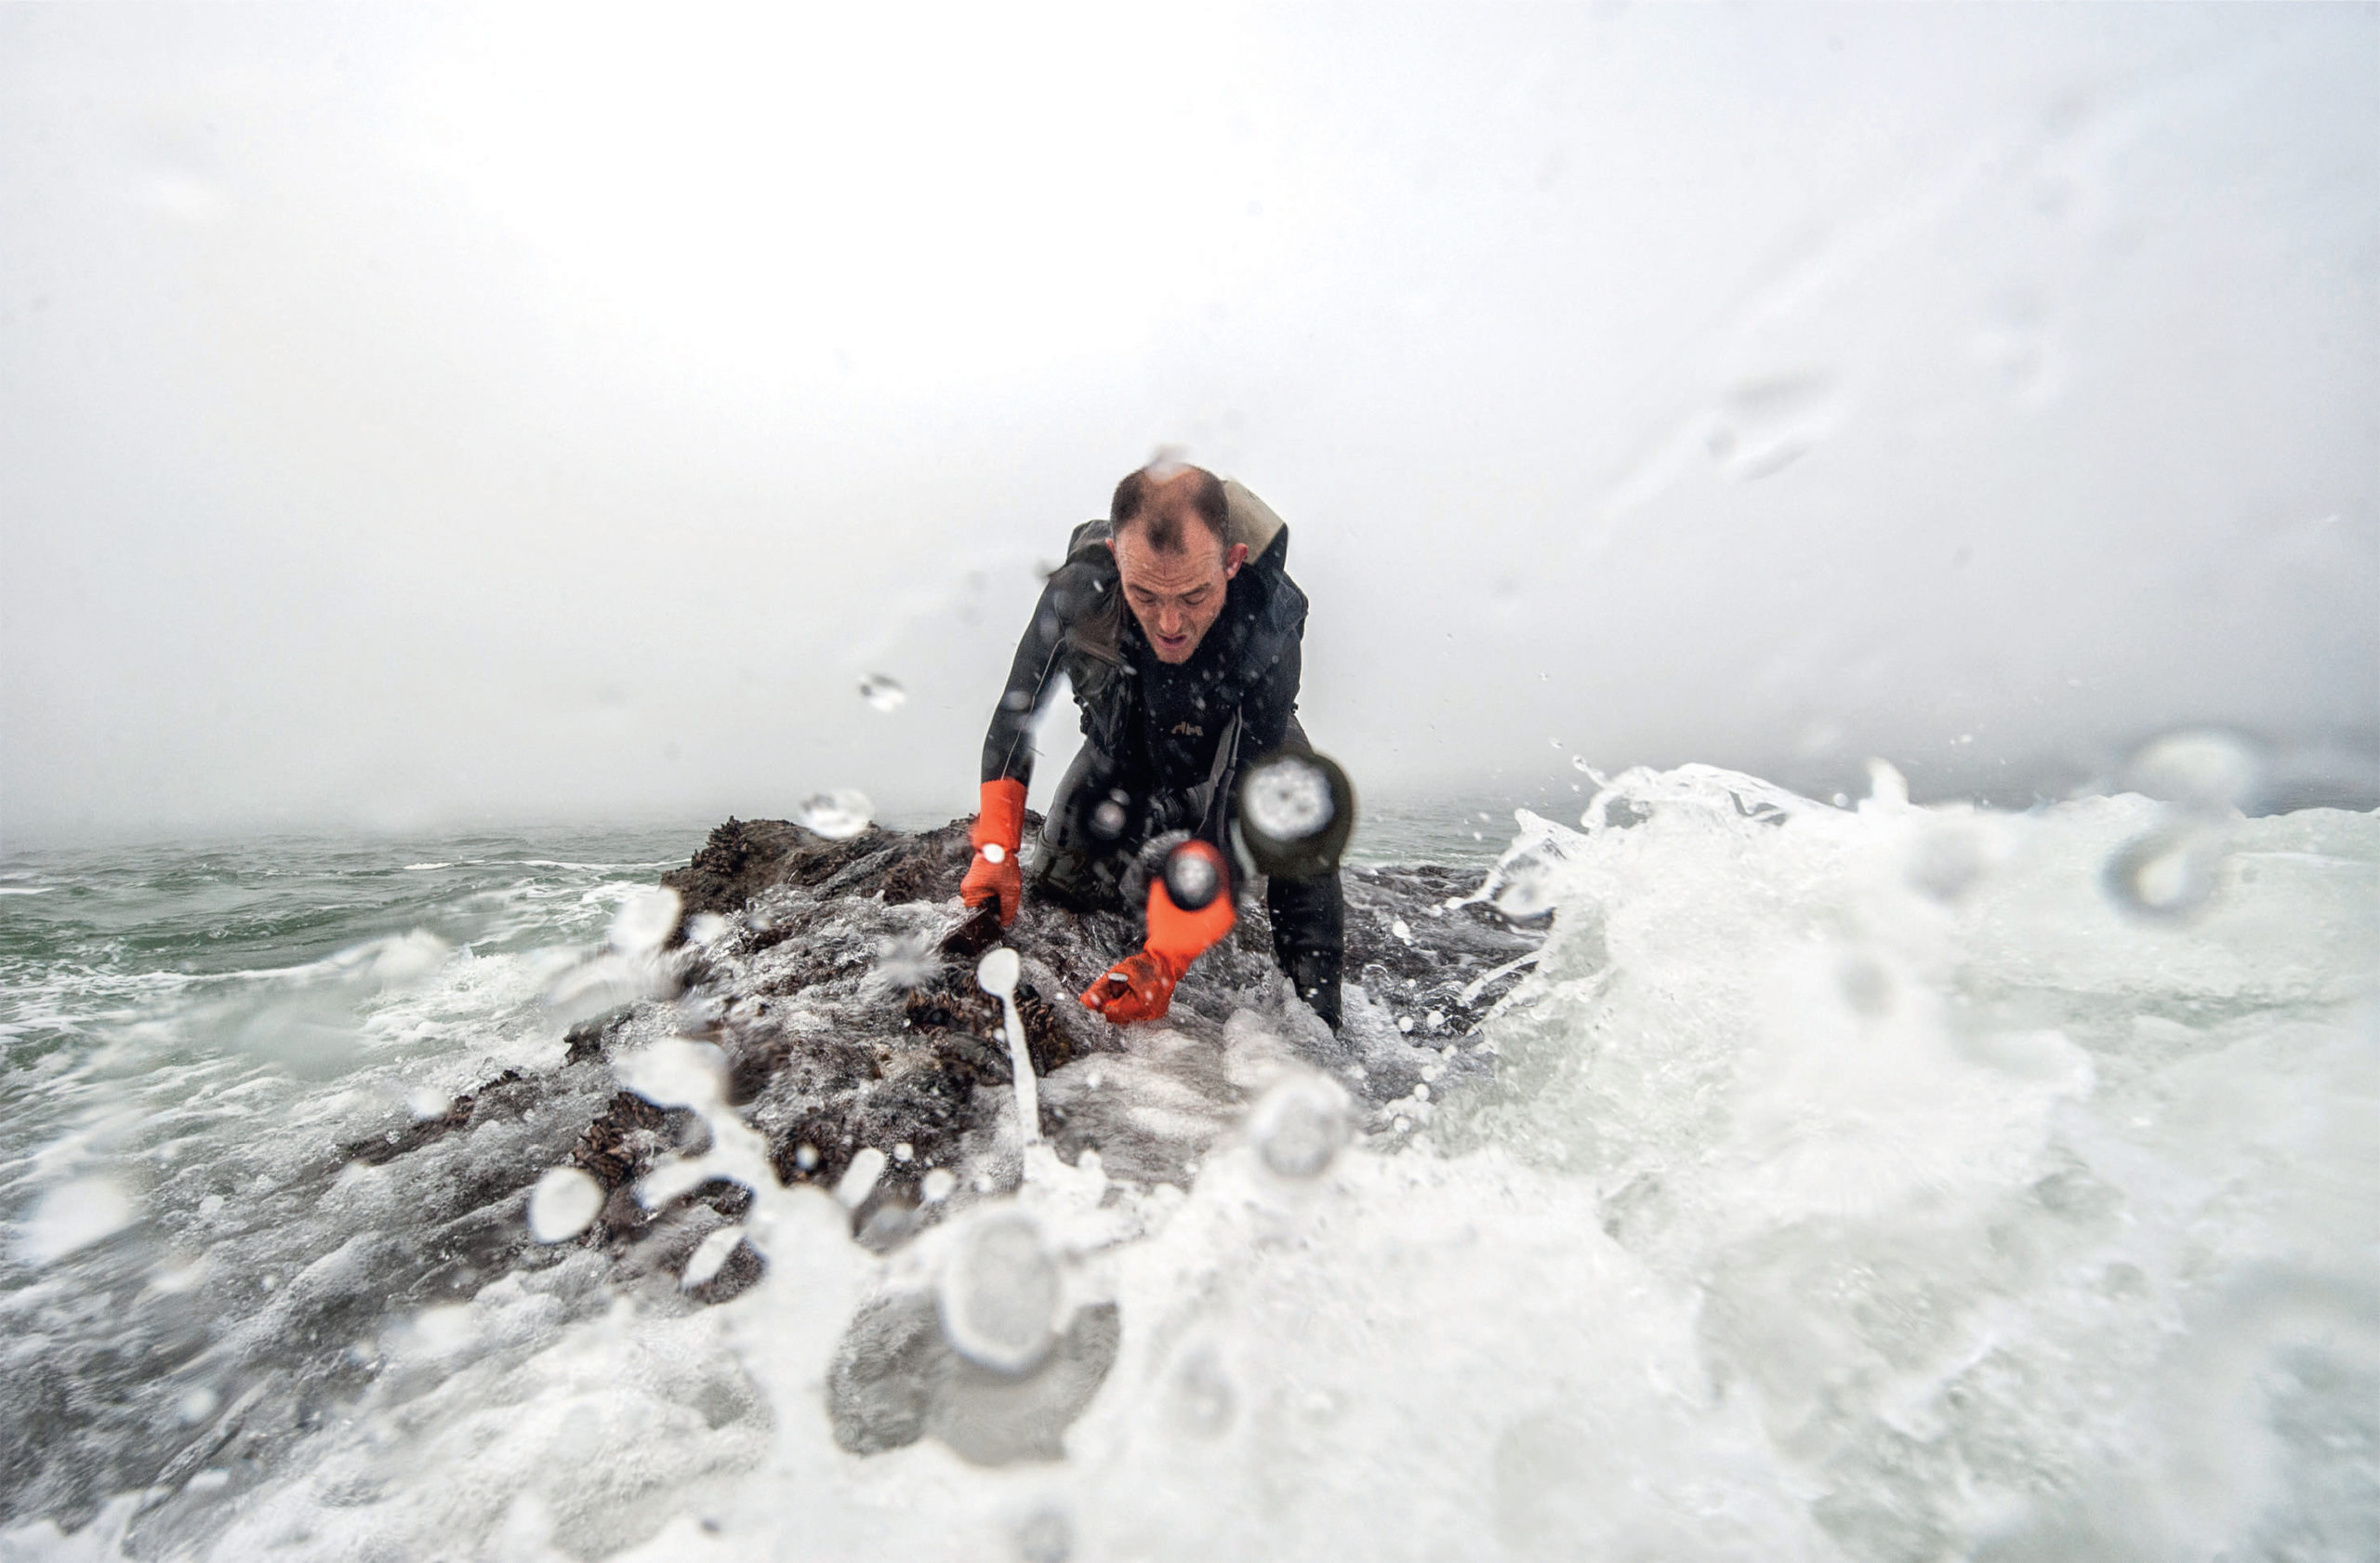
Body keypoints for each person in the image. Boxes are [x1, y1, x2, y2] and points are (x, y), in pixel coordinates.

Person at [960, 461, 1345, 1029]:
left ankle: (1320, 1032)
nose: (1170, 624)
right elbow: (1015, 719)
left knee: (1300, 820)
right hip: (1126, 754)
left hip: (1230, 761)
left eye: (1194, 595)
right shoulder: (1076, 593)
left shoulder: (1268, 625)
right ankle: (1156, 832)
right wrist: (995, 851)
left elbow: (1236, 799)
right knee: (1060, 889)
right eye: (1145, 593)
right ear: (1117, 558)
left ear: (1232, 563)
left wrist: (1166, 960)